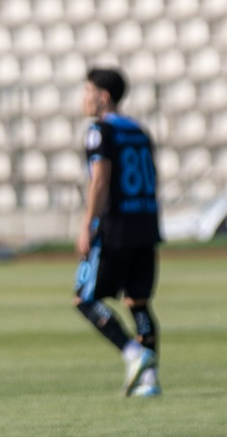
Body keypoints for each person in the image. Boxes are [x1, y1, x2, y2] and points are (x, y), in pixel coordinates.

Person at [75, 66, 162, 397]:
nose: (84, 98)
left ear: (103, 96)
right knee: (138, 302)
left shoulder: (99, 130)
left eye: (87, 91)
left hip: (116, 226)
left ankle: (135, 353)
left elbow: (100, 177)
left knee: (84, 297)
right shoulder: (139, 131)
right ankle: (150, 382)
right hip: (146, 222)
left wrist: (87, 224)